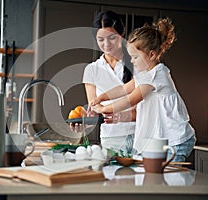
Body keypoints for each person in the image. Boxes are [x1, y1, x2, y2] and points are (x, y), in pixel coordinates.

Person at [90, 17, 196, 162]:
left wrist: (105, 109)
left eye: (135, 57)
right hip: (160, 139)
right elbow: (123, 89)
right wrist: (102, 97)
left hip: (175, 140)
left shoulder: (158, 74)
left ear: (152, 55)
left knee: (169, 179)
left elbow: (131, 98)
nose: (132, 61)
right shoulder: (143, 74)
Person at [82, 10, 136, 155]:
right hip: (112, 138)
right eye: (101, 39)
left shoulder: (136, 62)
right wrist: (84, 120)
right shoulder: (92, 70)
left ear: (121, 35)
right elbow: (95, 107)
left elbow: (149, 108)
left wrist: (118, 114)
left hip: (142, 134)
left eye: (112, 37)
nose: (106, 44)